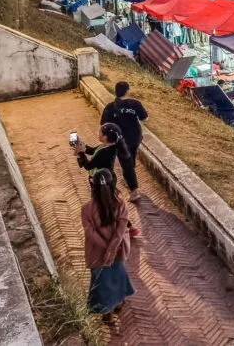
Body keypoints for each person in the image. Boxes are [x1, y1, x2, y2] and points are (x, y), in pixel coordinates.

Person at [81, 168, 134, 323]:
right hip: (118, 250)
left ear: (92, 185)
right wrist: (112, 250)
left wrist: (105, 250)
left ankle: (107, 313)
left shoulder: (86, 209)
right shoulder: (121, 204)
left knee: (102, 283)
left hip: (97, 253)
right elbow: (121, 230)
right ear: (113, 184)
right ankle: (118, 302)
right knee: (118, 277)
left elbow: (90, 233)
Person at [101, 81, 148, 202]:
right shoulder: (135, 103)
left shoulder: (110, 107)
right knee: (130, 158)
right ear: (127, 90)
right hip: (135, 137)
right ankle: (129, 180)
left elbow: (104, 124)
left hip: (120, 140)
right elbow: (145, 118)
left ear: (115, 91)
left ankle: (134, 190)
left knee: (126, 163)